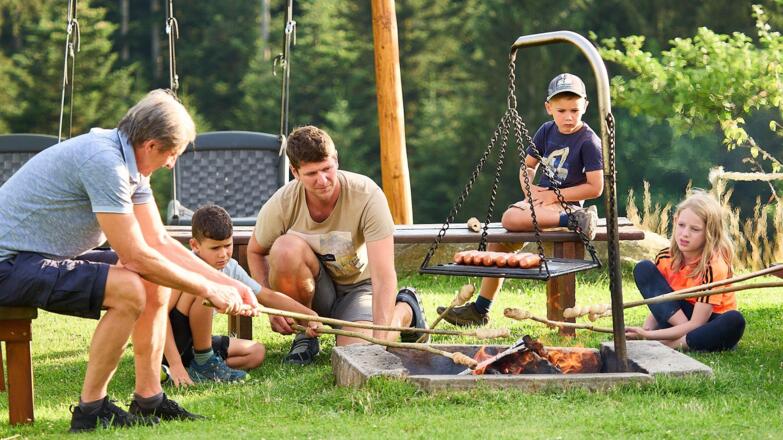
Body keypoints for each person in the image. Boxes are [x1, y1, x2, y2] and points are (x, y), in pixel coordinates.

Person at [0, 90, 260, 433]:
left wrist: (231, 284)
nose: (171, 164)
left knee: (153, 281)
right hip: (9, 265)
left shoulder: (130, 162)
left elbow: (158, 241)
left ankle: (149, 397)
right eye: (172, 154)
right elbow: (136, 256)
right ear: (151, 145)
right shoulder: (104, 162)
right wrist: (206, 288)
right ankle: (91, 409)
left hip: (37, 258)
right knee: (129, 289)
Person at [247, 125, 428, 366]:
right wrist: (272, 305)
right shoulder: (283, 202)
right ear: (295, 172)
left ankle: (406, 310)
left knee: (357, 354)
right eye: (312, 174)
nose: (322, 181)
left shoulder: (367, 195)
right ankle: (305, 335)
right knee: (284, 248)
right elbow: (255, 251)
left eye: (327, 169)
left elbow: (383, 276)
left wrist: (379, 341)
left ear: (336, 161)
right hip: (314, 290)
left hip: (359, 289)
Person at [437, 73, 604, 326]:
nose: (568, 117)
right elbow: (527, 168)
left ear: (585, 107)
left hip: (566, 204)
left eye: (574, 110)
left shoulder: (588, 140)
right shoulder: (546, 131)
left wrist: (551, 197)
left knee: (510, 218)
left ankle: (575, 220)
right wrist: (531, 192)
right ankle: (480, 310)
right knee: (499, 242)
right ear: (549, 108)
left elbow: (595, 187)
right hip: (542, 203)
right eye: (561, 110)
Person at [625, 191, 745, 351]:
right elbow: (662, 302)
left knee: (735, 320)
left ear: (709, 233)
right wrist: (646, 329)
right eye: (681, 225)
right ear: (675, 221)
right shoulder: (665, 257)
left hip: (708, 322)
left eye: (695, 229)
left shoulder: (713, 266)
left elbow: (697, 323)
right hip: (679, 319)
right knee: (643, 268)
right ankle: (678, 338)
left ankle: (670, 344)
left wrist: (649, 337)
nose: (685, 234)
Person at [163, 205, 266, 386]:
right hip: (168, 346)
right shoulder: (183, 268)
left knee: (256, 352)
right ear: (194, 245)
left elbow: (266, 295)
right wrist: (175, 363)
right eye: (215, 248)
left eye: (227, 246)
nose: (223, 254)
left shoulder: (229, 267)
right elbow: (158, 317)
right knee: (203, 287)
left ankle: (197, 371)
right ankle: (199, 363)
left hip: (196, 344)